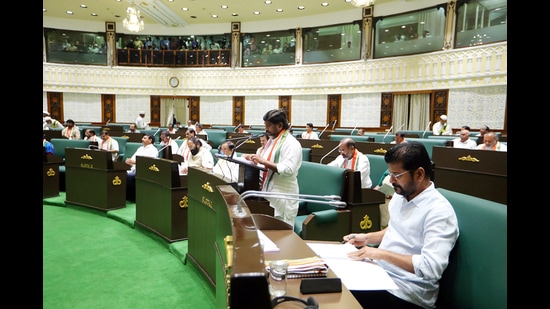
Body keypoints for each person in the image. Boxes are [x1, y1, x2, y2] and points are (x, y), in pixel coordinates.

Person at [342, 142, 459, 309]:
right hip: (381, 274)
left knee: (341, 298)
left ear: (419, 174)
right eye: (390, 173)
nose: (391, 180)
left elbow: (430, 268)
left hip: (408, 291)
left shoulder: (439, 212)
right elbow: (396, 229)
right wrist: (368, 237)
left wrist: (380, 253)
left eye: (397, 175)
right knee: (332, 279)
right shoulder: (402, 195)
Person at [241, 109, 302, 225]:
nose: (266, 129)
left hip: (283, 196)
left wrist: (263, 161)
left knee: (283, 236)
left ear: (279, 125)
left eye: (269, 125)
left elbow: (288, 169)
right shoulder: (272, 141)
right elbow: (265, 163)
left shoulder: (291, 143)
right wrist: (253, 159)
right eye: (265, 125)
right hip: (269, 194)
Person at [125, 134, 158, 201]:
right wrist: (129, 161)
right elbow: (132, 159)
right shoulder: (140, 148)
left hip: (145, 170)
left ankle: (132, 198)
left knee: (129, 176)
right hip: (133, 168)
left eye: (144, 138)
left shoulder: (153, 150)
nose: (142, 139)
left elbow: (149, 162)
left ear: (150, 140)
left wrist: (134, 162)